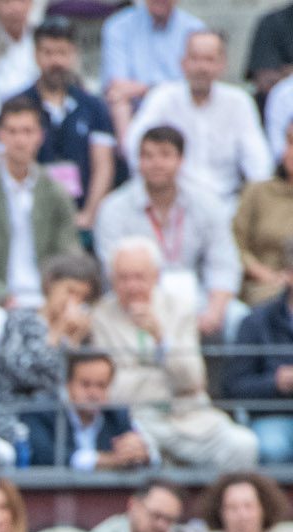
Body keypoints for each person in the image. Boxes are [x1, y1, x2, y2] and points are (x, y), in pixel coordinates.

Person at [90, 236, 258, 470]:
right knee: (132, 452)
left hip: (188, 417)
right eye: (123, 278)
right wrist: (165, 377)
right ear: (111, 280)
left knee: (243, 445)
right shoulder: (101, 315)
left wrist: (161, 339)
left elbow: (192, 379)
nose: (131, 286)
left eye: (139, 277)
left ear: (156, 276)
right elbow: (111, 387)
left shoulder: (179, 308)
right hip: (136, 421)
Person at [96, 125, 244, 344]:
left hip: (197, 297)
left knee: (237, 318)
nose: (156, 163)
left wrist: (215, 310)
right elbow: (113, 270)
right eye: (148, 156)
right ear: (138, 161)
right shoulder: (114, 208)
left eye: (165, 155)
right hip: (138, 296)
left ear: (181, 160)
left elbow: (224, 265)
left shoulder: (207, 204)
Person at [0, 97, 81, 349]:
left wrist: (56, 297)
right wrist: (3, 297)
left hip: (45, 296)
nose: (20, 140)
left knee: (76, 323)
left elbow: (69, 254)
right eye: (12, 131)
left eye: (27, 131)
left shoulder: (56, 192)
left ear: (40, 136)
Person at [124, 31, 271, 216]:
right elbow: (134, 145)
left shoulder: (238, 101)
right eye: (195, 59)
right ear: (183, 63)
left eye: (209, 60)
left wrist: (255, 203)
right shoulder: (163, 97)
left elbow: (258, 161)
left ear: (222, 64)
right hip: (172, 206)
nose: (202, 67)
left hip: (226, 205)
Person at [0, 252, 102, 453]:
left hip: (63, 418)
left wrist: (75, 343)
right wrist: (55, 335)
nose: (73, 302)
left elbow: (80, 381)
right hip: (19, 413)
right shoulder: (19, 320)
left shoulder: (82, 333)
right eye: (70, 292)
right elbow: (22, 373)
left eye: (82, 297)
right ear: (51, 284)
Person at [13, 18, 117, 234]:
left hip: (84, 217)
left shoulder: (93, 107)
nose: (56, 61)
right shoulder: (18, 106)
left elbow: (103, 165)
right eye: (48, 53)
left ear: (74, 54)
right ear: (36, 55)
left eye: (62, 53)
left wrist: (89, 214)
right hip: (31, 218)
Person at [21, 351, 153, 471]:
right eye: (85, 384)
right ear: (67, 385)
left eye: (101, 385)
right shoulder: (42, 411)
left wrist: (138, 454)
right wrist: (109, 460)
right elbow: (46, 456)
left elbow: (146, 459)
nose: (93, 393)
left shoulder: (117, 416)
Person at [101, 0, 208, 140]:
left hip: (179, 105)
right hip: (135, 108)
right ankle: (129, 150)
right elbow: (117, 85)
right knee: (118, 99)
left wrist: (147, 89)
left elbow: (195, 82)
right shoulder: (118, 26)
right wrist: (160, 88)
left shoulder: (195, 29)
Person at [230, 239, 293, 464]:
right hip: (273, 417)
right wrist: (276, 382)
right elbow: (234, 387)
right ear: (288, 275)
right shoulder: (256, 322)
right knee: (273, 448)